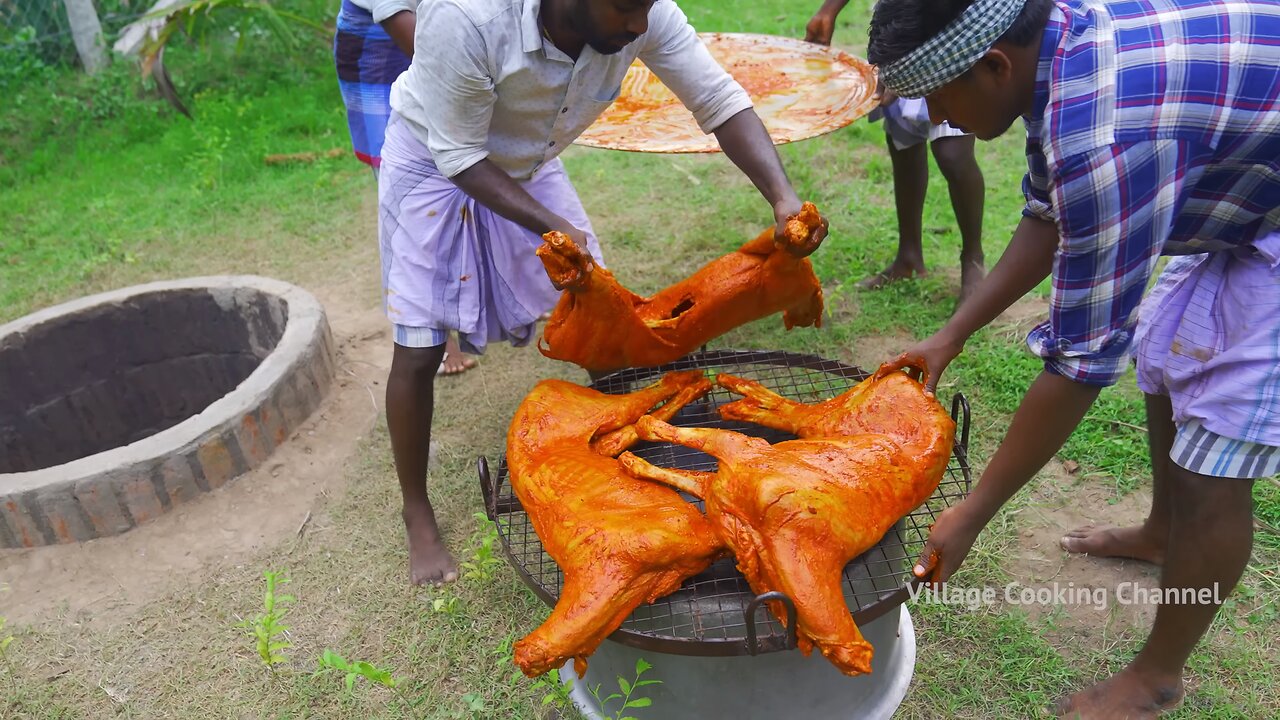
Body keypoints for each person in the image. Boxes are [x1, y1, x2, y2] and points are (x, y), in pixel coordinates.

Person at [867, 0, 1280, 716]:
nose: (936, 114)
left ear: (994, 66)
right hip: (1250, 174)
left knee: (1213, 449)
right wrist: (951, 334)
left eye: (937, 95)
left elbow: (1082, 362)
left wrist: (971, 512)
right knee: (1166, 350)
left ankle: (1155, 679)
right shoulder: (1056, 56)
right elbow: (1048, 214)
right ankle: (1161, 534)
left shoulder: (1103, 136)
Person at [380, 0, 827, 586]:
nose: (639, 26)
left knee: (604, 310)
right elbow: (459, 154)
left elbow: (717, 99)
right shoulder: (468, 17)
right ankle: (418, 512)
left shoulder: (641, 10)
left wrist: (781, 196)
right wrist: (552, 230)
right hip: (435, 163)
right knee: (417, 347)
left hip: (528, 163)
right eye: (624, 9)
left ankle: (625, 445)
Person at [805, 0, 986, 304]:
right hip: (901, 28)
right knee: (904, 141)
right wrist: (829, 10)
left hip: (951, 25)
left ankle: (973, 260)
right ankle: (909, 256)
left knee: (952, 153)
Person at [333, 0, 478, 376]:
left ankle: (504, 295)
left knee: (462, 174)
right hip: (379, 53)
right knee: (410, 193)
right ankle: (438, 339)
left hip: (433, 37)